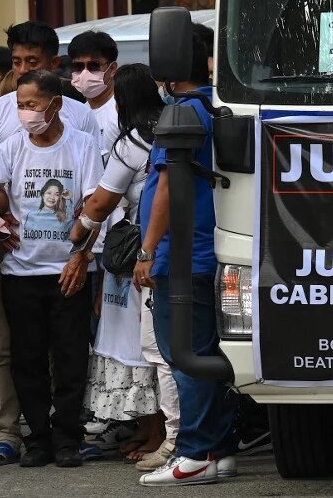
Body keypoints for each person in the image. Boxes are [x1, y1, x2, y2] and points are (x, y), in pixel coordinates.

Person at [0, 69, 103, 468]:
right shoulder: (13, 146)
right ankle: (38, 438)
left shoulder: (83, 145)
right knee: (27, 359)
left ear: (55, 105)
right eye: (20, 105)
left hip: (68, 272)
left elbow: (95, 205)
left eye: (32, 105)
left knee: (70, 358)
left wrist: (81, 255)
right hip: (21, 273)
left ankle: (67, 439)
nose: (24, 113)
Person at [134, 26, 238, 486]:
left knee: (185, 355)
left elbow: (167, 188)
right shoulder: (219, 105)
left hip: (183, 255)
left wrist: (146, 249)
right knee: (206, 354)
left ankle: (195, 453)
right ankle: (218, 450)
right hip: (209, 249)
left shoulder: (180, 114)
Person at [69, 64, 171, 465]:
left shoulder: (132, 142)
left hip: (133, 253)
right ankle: (149, 431)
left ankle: (159, 432)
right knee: (149, 345)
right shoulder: (166, 131)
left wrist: (78, 235)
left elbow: (102, 201)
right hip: (157, 246)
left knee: (138, 346)